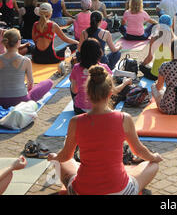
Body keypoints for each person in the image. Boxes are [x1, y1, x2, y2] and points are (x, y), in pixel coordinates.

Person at [48, 64, 162, 195]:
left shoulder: (75, 121)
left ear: (88, 93)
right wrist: (154, 157)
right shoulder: (124, 118)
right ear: (110, 92)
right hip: (121, 191)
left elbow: (66, 155)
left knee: (60, 160)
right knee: (153, 165)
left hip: (82, 191)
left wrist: (54, 157)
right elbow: (139, 151)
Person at [71, 38, 129, 115]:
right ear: (99, 52)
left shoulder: (76, 67)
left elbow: (74, 90)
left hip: (80, 110)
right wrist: (125, 83)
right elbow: (113, 91)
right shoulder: (104, 68)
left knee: (73, 82)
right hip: (100, 109)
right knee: (124, 88)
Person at [0, 28, 53, 108]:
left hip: (1, 100)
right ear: (18, 42)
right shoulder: (25, 60)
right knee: (49, 82)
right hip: (21, 101)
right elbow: (30, 84)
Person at [140, 15, 174, 81]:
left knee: (141, 66)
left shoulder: (154, 37)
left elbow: (150, 58)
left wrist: (142, 64)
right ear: (170, 25)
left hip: (156, 75)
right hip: (170, 76)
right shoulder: (174, 38)